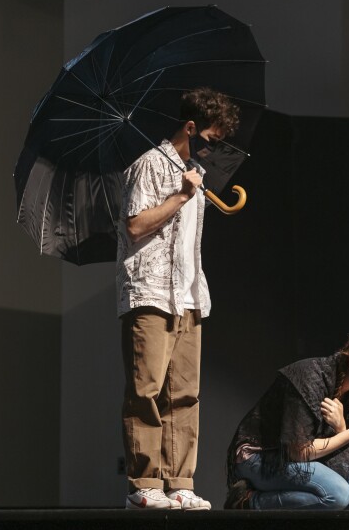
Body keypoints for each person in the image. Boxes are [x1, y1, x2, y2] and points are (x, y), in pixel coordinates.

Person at [117, 87, 240, 510]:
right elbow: (134, 227)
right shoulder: (149, 165)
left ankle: (180, 481)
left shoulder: (197, 174)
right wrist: (181, 197)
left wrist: (194, 192)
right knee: (146, 390)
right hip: (150, 293)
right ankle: (146, 484)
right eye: (211, 138)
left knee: (185, 394)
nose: (214, 147)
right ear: (191, 128)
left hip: (189, 295)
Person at [224, 328, 349, 510]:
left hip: (310, 457)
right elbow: (298, 452)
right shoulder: (309, 377)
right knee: (338, 494)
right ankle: (249, 501)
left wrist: (341, 428)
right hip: (263, 455)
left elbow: (343, 456)